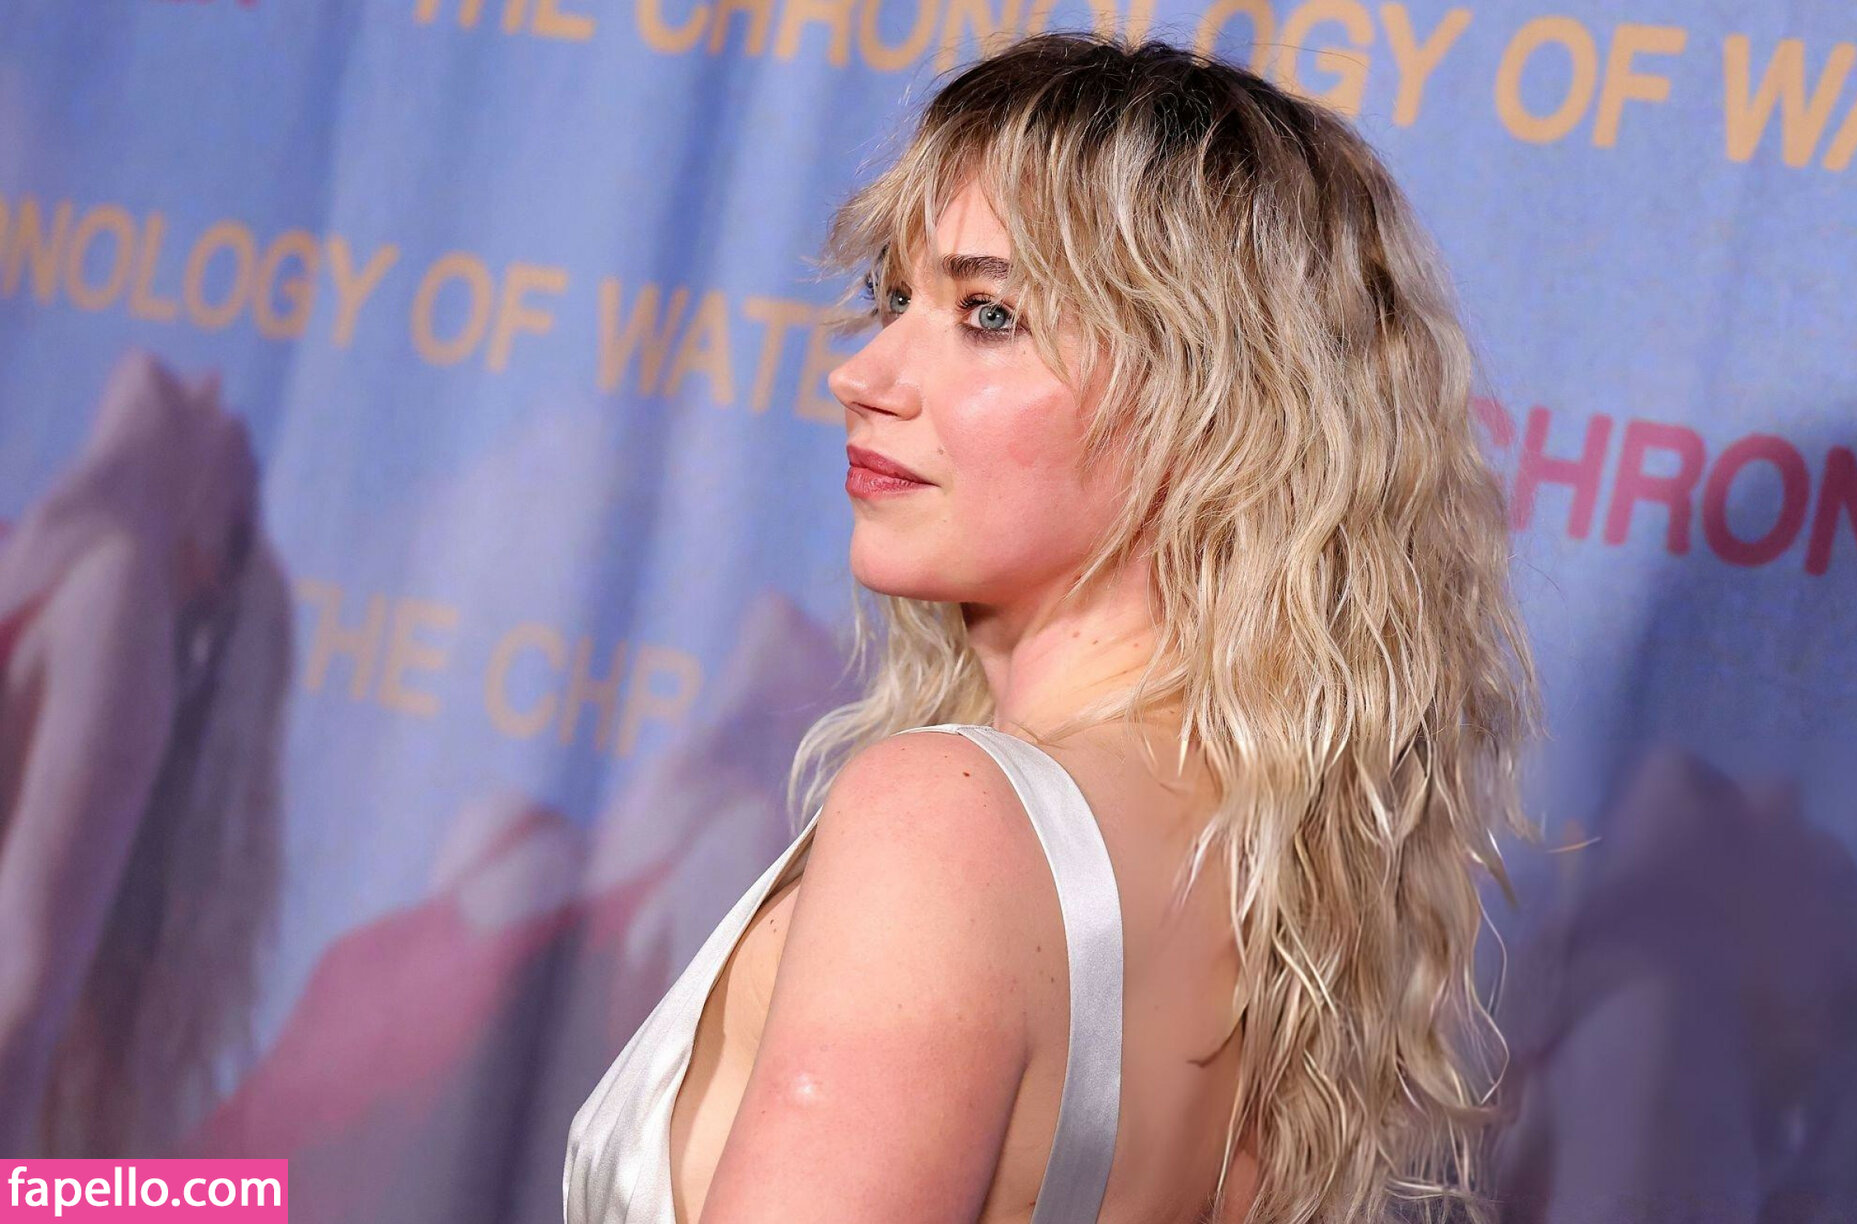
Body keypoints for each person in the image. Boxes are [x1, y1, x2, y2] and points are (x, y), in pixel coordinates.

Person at [565, 30, 1538, 1224]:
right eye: (891, 298)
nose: (863, 374)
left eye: (988, 313)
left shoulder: (945, 825)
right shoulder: (1267, 885)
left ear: (1210, 406)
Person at [0, 348, 293, 1157]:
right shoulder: (38, 563)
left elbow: (21, 1000)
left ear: (204, 554)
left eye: (247, 469)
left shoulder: (114, 598)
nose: (214, 386)